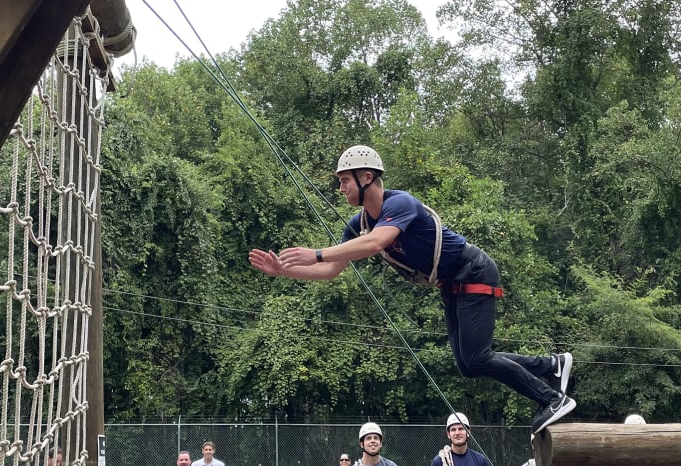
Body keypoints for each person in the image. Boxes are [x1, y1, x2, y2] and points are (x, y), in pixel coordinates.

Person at [247, 145, 576, 434]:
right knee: (469, 364)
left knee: (478, 357)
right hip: (452, 285)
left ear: (366, 177)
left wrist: (316, 251)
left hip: (473, 270)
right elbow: (331, 270)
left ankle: (552, 398)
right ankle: (551, 366)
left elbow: (377, 242)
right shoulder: (357, 225)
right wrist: (284, 270)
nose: (341, 187)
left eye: (345, 180)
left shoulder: (400, 203)